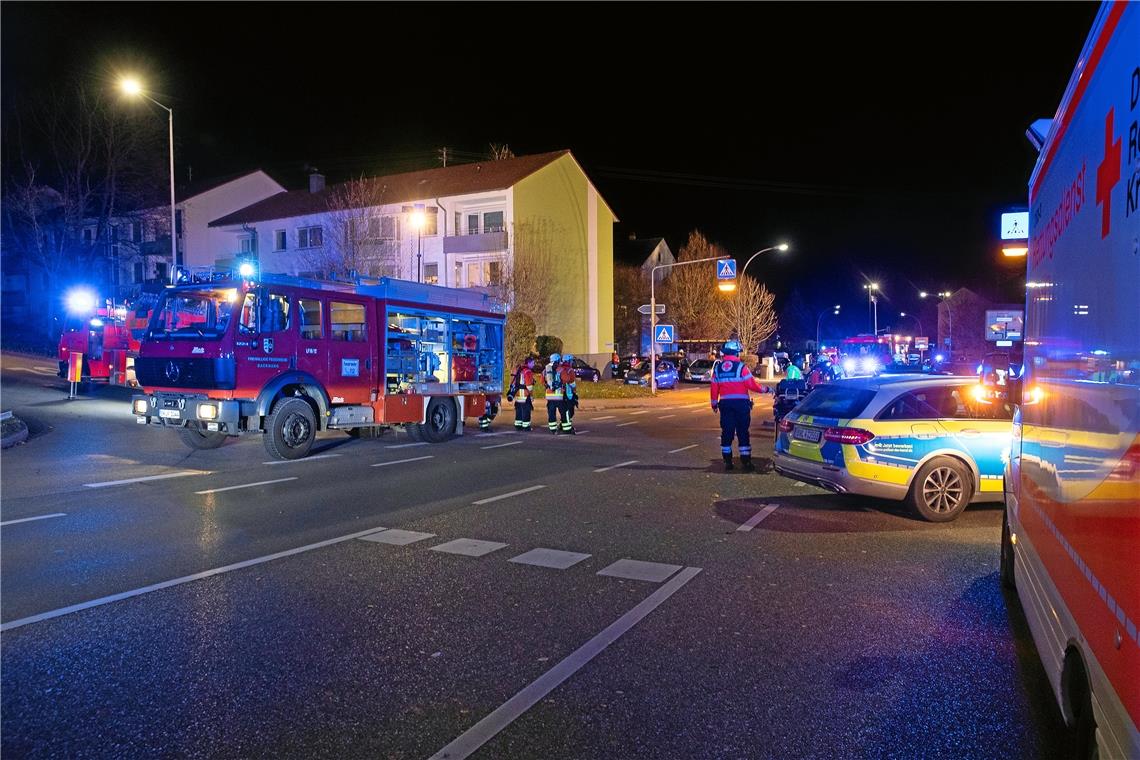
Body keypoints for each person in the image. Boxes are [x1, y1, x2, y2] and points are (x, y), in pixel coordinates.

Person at [710, 339, 766, 471]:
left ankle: (728, 462)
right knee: (742, 432)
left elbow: (714, 388)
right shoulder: (741, 367)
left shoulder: (718, 368)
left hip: (725, 405)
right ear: (736, 353)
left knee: (727, 432)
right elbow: (752, 385)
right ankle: (746, 463)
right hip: (741, 405)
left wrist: (714, 404)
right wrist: (766, 389)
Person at [507, 357, 536, 431]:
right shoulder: (527, 371)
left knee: (519, 410)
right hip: (525, 395)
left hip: (517, 394)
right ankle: (526, 427)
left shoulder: (519, 370)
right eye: (533, 363)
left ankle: (518, 425)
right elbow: (529, 386)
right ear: (528, 363)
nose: (534, 364)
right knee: (526, 411)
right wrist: (531, 395)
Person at [543, 352, 565, 434]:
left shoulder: (546, 369)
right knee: (563, 411)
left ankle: (553, 429)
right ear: (557, 360)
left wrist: (547, 385)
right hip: (559, 395)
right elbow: (564, 379)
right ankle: (563, 426)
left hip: (550, 396)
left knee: (551, 413)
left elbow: (542, 380)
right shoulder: (560, 368)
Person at [559, 354, 578, 434]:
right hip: (568, 393)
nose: (572, 362)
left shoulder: (559, 369)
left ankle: (563, 424)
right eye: (571, 361)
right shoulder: (570, 370)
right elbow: (572, 383)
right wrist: (575, 392)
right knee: (569, 411)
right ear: (569, 361)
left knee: (564, 411)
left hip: (560, 393)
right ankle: (566, 427)